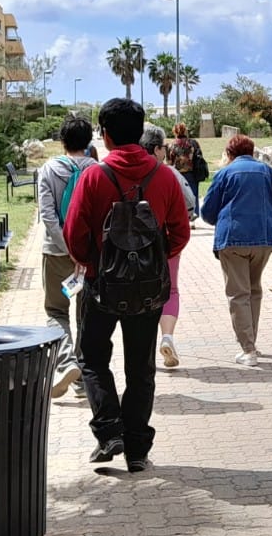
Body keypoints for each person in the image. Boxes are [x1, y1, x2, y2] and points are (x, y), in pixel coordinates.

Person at [62, 99, 190, 471]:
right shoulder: (164, 177)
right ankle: (137, 449)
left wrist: (93, 262)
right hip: (147, 290)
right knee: (141, 368)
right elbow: (180, 233)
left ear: (105, 135)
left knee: (91, 358)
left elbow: (74, 233)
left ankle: (108, 430)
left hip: (102, 286)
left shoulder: (94, 176)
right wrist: (154, 259)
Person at [199, 133, 272, 367]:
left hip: (233, 238)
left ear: (229, 153)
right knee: (253, 290)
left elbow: (207, 212)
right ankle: (252, 343)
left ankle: (248, 348)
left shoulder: (224, 173)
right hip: (263, 237)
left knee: (238, 293)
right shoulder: (267, 171)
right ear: (252, 151)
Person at [35, 113, 94, 400]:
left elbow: (47, 215)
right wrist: (82, 250)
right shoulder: (98, 170)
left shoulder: (47, 170)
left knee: (56, 312)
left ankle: (66, 361)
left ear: (61, 142)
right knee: (85, 315)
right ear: (89, 141)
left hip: (56, 253)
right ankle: (83, 378)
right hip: (89, 258)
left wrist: (66, 246)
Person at [151, 129, 200, 369]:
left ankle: (146, 345)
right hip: (166, 241)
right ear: (157, 150)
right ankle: (167, 336)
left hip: (130, 247)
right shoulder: (168, 173)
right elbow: (190, 202)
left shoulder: (122, 172)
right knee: (170, 289)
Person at [168, 121, 208, 219]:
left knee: (180, 196)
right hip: (192, 173)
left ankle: (183, 216)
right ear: (185, 130)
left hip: (178, 174)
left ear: (175, 132)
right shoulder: (193, 143)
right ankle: (194, 216)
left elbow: (169, 161)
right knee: (194, 195)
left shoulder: (172, 145)